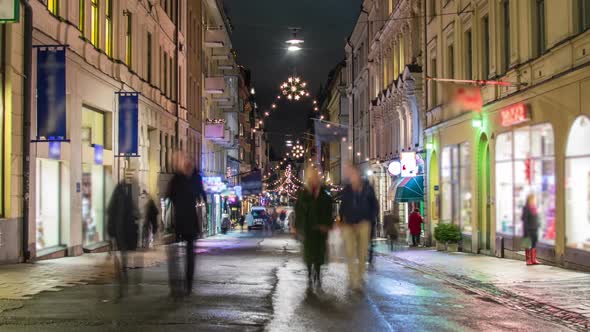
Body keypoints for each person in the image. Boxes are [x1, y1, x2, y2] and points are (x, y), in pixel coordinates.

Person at [165, 152, 200, 297]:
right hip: (184, 222)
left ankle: (183, 286)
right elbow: (198, 195)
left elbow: (169, 196)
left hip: (183, 222)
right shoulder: (189, 179)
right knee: (181, 256)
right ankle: (182, 286)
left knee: (181, 256)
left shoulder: (179, 179)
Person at [339, 163, 379, 292]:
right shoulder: (347, 189)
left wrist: (370, 219)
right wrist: (342, 219)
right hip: (349, 225)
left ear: (357, 173)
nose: (350, 176)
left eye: (351, 173)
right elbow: (343, 206)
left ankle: (359, 277)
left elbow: (375, 206)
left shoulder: (368, 188)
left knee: (362, 253)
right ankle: (353, 280)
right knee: (350, 253)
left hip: (363, 224)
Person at [294, 166, 334, 291]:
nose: (314, 179)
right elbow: (299, 211)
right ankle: (309, 275)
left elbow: (329, 212)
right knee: (309, 254)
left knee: (318, 254)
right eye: (312, 177)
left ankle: (317, 274)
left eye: (316, 177)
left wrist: (327, 225)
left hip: (320, 229)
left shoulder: (324, 194)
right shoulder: (303, 194)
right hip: (308, 228)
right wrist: (297, 227)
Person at [107, 181, 139, 298]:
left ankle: (121, 273)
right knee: (123, 253)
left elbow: (110, 215)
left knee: (119, 253)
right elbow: (135, 214)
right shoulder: (127, 199)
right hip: (124, 232)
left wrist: (110, 234)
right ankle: (123, 271)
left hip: (118, 232)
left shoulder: (115, 201)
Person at [522, 193, 541, 265]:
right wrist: (526, 229)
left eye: (534, 199)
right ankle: (528, 260)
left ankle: (533, 259)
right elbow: (524, 219)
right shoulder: (526, 208)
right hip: (528, 229)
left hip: (534, 229)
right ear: (529, 200)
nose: (533, 200)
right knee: (527, 244)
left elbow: (536, 218)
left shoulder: (534, 208)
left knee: (534, 244)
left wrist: (537, 225)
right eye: (532, 199)